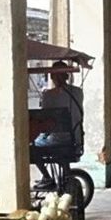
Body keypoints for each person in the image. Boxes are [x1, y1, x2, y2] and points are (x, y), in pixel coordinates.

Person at [33, 61, 84, 189]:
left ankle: (47, 177)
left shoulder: (48, 95)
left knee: (32, 147)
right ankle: (66, 172)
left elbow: (45, 118)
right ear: (67, 75)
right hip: (76, 137)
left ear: (52, 77)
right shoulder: (78, 92)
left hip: (58, 140)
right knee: (57, 141)